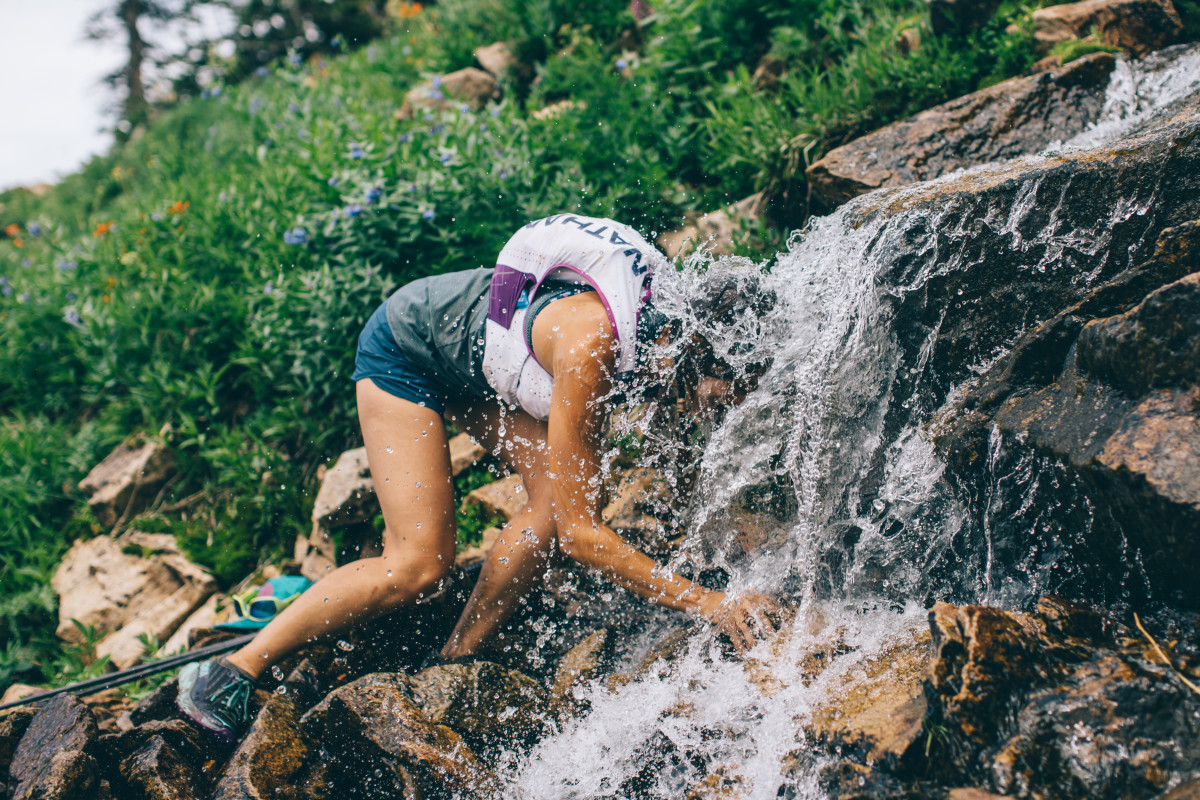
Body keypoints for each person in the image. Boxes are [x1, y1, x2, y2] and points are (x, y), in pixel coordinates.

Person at [176, 213, 779, 742]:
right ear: (689, 351)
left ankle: (454, 661)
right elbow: (583, 535)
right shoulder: (593, 346)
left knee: (545, 513)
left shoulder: (667, 321)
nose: (719, 410)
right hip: (408, 349)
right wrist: (712, 604)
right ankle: (232, 673)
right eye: (721, 394)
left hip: (487, 354)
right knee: (417, 565)